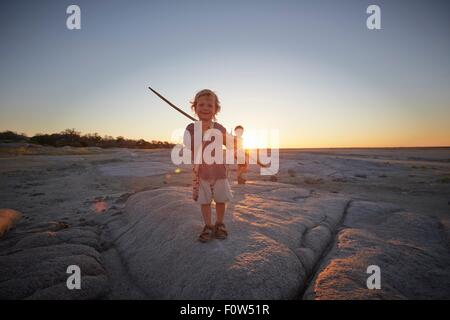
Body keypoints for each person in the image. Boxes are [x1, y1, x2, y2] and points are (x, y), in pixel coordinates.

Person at [184, 89, 233, 242]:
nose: (205, 108)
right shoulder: (191, 128)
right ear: (195, 108)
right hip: (201, 172)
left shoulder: (219, 128)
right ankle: (208, 225)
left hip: (219, 171)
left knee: (220, 199)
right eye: (201, 105)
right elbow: (189, 145)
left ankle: (219, 223)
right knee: (204, 201)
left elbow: (230, 144)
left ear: (215, 109)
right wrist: (202, 131)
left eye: (210, 106)